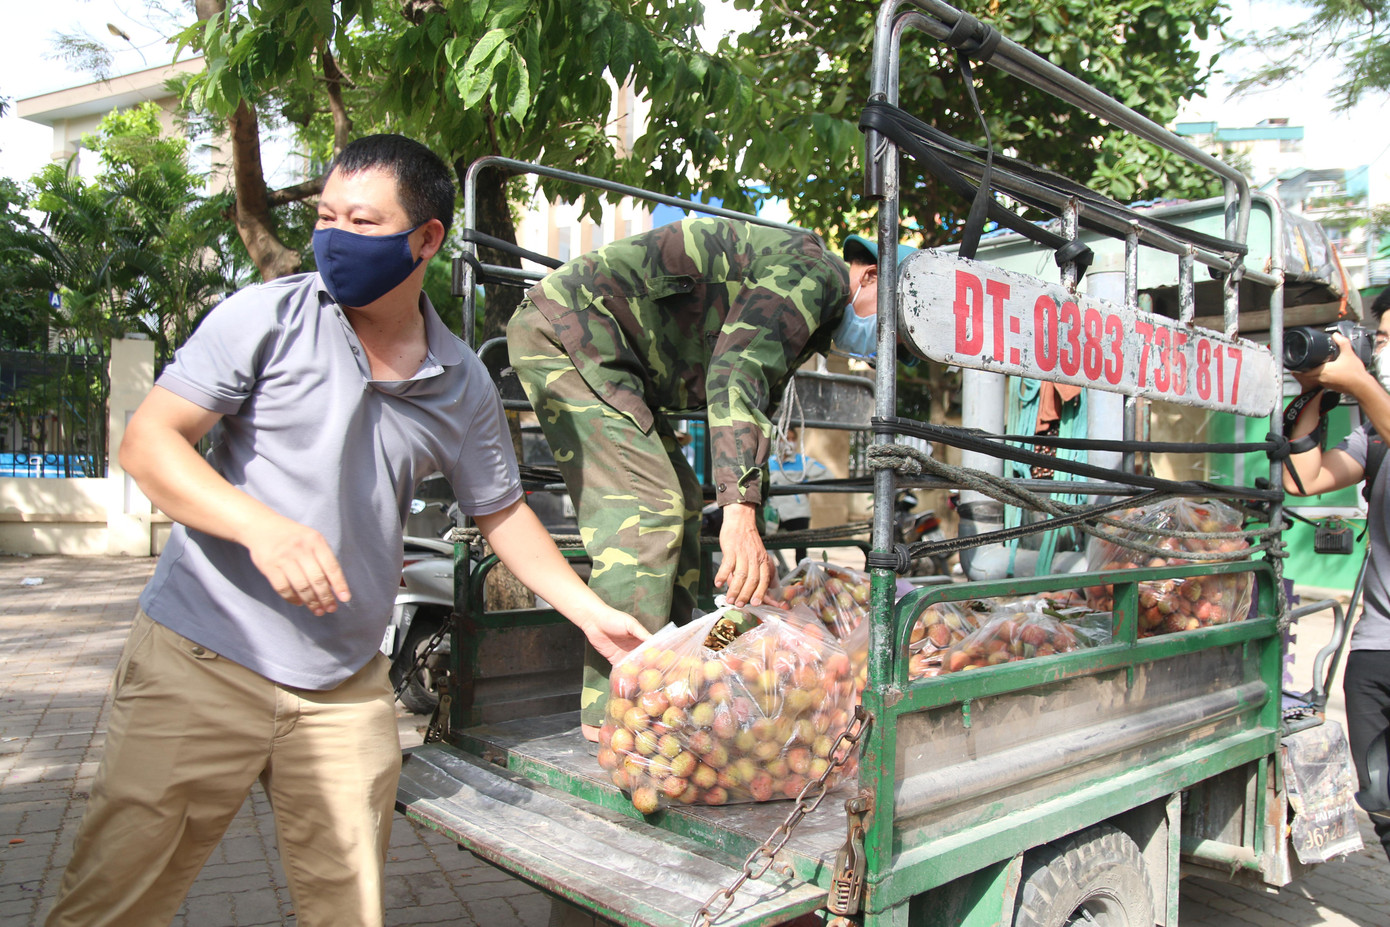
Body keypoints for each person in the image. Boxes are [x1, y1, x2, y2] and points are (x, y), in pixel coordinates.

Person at [44, 134, 648, 927]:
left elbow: (500, 510)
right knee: (112, 904)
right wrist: (262, 528)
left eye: (361, 221)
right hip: (203, 658)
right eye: (325, 216)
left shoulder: (461, 379)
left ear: (426, 239)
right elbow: (149, 442)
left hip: (343, 684)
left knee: (349, 912)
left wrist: (588, 611)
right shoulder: (267, 316)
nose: (333, 236)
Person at [507, 216, 913, 739]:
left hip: (610, 356)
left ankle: (675, 679)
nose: (877, 350)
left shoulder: (813, 307)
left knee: (681, 501)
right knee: (648, 511)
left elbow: (751, 416)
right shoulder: (816, 276)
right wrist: (738, 515)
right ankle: (616, 717)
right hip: (570, 331)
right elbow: (736, 374)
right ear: (871, 275)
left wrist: (754, 545)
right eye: (887, 332)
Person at [1283, 287, 1390, 863]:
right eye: (1382, 339)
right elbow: (1304, 479)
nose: (1382, 350)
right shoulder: (1375, 433)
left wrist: (1363, 385)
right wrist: (1315, 396)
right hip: (1377, 649)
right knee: (1382, 802)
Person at [766, 426, 831, 563]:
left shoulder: (803, 461)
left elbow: (827, 475)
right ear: (777, 441)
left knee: (800, 549)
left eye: (792, 439)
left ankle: (802, 573)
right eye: (786, 439)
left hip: (797, 512)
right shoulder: (768, 463)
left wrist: (806, 485)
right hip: (774, 512)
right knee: (766, 545)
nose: (789, 442)